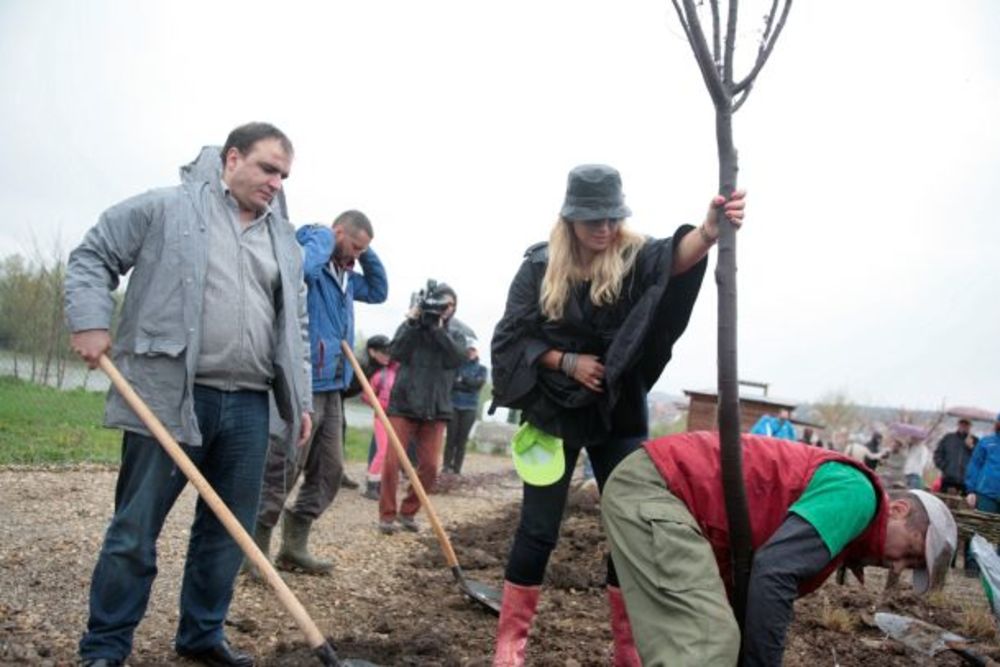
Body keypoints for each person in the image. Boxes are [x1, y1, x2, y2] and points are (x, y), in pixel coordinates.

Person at [65, 123, 312, 667]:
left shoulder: (284, 242)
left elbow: (294, 322)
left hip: (251, 404)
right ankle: (105, 647)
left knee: (227, 532)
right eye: (268, 168)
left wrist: (304, 398)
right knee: (135, 529)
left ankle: (201, 635)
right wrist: (88, 320)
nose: (277, 182)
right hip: (168, 396)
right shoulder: (166, 210)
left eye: (284, 175)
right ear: (232, 158)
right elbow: (93, 255)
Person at [489, 163, 745, 666]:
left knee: (630, 528)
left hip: (616, 410)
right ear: (569, 221)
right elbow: (511, 339)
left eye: (611, 218)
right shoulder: (538, 267)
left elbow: (673, 259)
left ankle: (629, 651)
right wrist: (566, 361)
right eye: (592, 221)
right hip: (552, 412)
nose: (603, 229)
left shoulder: (632, 257)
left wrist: (710, 231)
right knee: (538, 529)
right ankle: (509, 646)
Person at [602, 432, 957, 667]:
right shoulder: (859, 495)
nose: (897, 568)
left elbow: (755, 585)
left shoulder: (847, 526)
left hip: (664, 493)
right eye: (910, 554)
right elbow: (773, 573)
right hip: (660, 486)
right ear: (898, 510)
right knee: (708, 644)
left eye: (910, 568)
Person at [253, 210, 388, 574]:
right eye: (354, 245)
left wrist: (362, 251)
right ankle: (254, 550)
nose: (356, 255)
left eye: (362, 251)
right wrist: (325, 236)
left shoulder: (346, 276)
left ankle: (294, 546)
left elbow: (378, 291)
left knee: (330, 469)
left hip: (333, 386)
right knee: (285, 465)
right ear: (337, 232)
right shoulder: (312, 259)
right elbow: (301, 270)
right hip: (303, 380)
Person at [379, 281, 467, 534]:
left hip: (436, 408)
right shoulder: (411, 327)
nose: (446, 309)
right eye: (442, 303)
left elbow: (457, 359)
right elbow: (395, 352)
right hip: (404, 404)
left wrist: (439, 331)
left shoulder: (456, 333)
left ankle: (408, 512)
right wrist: (411, 324)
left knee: (429, 467)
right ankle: (386, 515)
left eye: (451, 305)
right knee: (392, 462)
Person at [359, 335, 398, 500]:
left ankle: (382, 483)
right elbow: (366, 395)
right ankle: (371, 485)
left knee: (391, 452)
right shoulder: (378, 375)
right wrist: (377, 407)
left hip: (395, 416)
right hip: (381, 417)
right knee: (382, 451)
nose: (388, 356)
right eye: (385, 353)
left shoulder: (398, 372)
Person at [442, 339, 488, 474]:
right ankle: (446, 466)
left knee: (462, 440)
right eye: (469, 350)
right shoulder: (457, 367)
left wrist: (463, 380)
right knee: (451, 438)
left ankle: (457, 468)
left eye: (473, 350)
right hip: (454, 406)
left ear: (477, 352)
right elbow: (452, 384)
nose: (470, 353)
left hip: (470, 407)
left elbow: (477, 385)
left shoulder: (482, 369)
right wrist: (468, 383)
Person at [935, 418, 975, 495]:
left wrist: (971, 447)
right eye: (962, 424)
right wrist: (945, 467)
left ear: (970, 426)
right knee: (944, 503)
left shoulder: (975, 440)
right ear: (958, 424)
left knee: (963, 506)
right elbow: (938, 453)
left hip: (966, 482)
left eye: (966, 424)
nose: (963, 426)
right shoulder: (948, 438)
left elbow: (979, 460)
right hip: (948, 479)